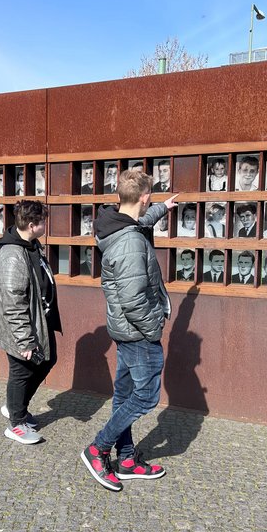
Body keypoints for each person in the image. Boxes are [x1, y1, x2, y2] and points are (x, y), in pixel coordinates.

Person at [80, 170, 177, 491]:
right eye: (151, 198)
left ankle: (125, 460)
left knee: (124, 397)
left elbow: (140, 222)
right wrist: (155, 327)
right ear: (144, 196)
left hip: (124, 329)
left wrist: (162, 209)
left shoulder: (119, 224)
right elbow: (134, 299)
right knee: (146, 398)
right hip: (138, 332)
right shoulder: (131, 243)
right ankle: (97, 449)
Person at [0, 201, 62, 444]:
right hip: (22, 329)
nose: (46, 224)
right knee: (21, 372)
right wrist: (25, 340)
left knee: (47, 361)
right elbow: (14, 303)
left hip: (39, 321)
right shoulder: (12, 255)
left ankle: (15, 406)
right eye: (43, 221)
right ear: (32, 225)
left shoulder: (30, 245)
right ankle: (17, 423)